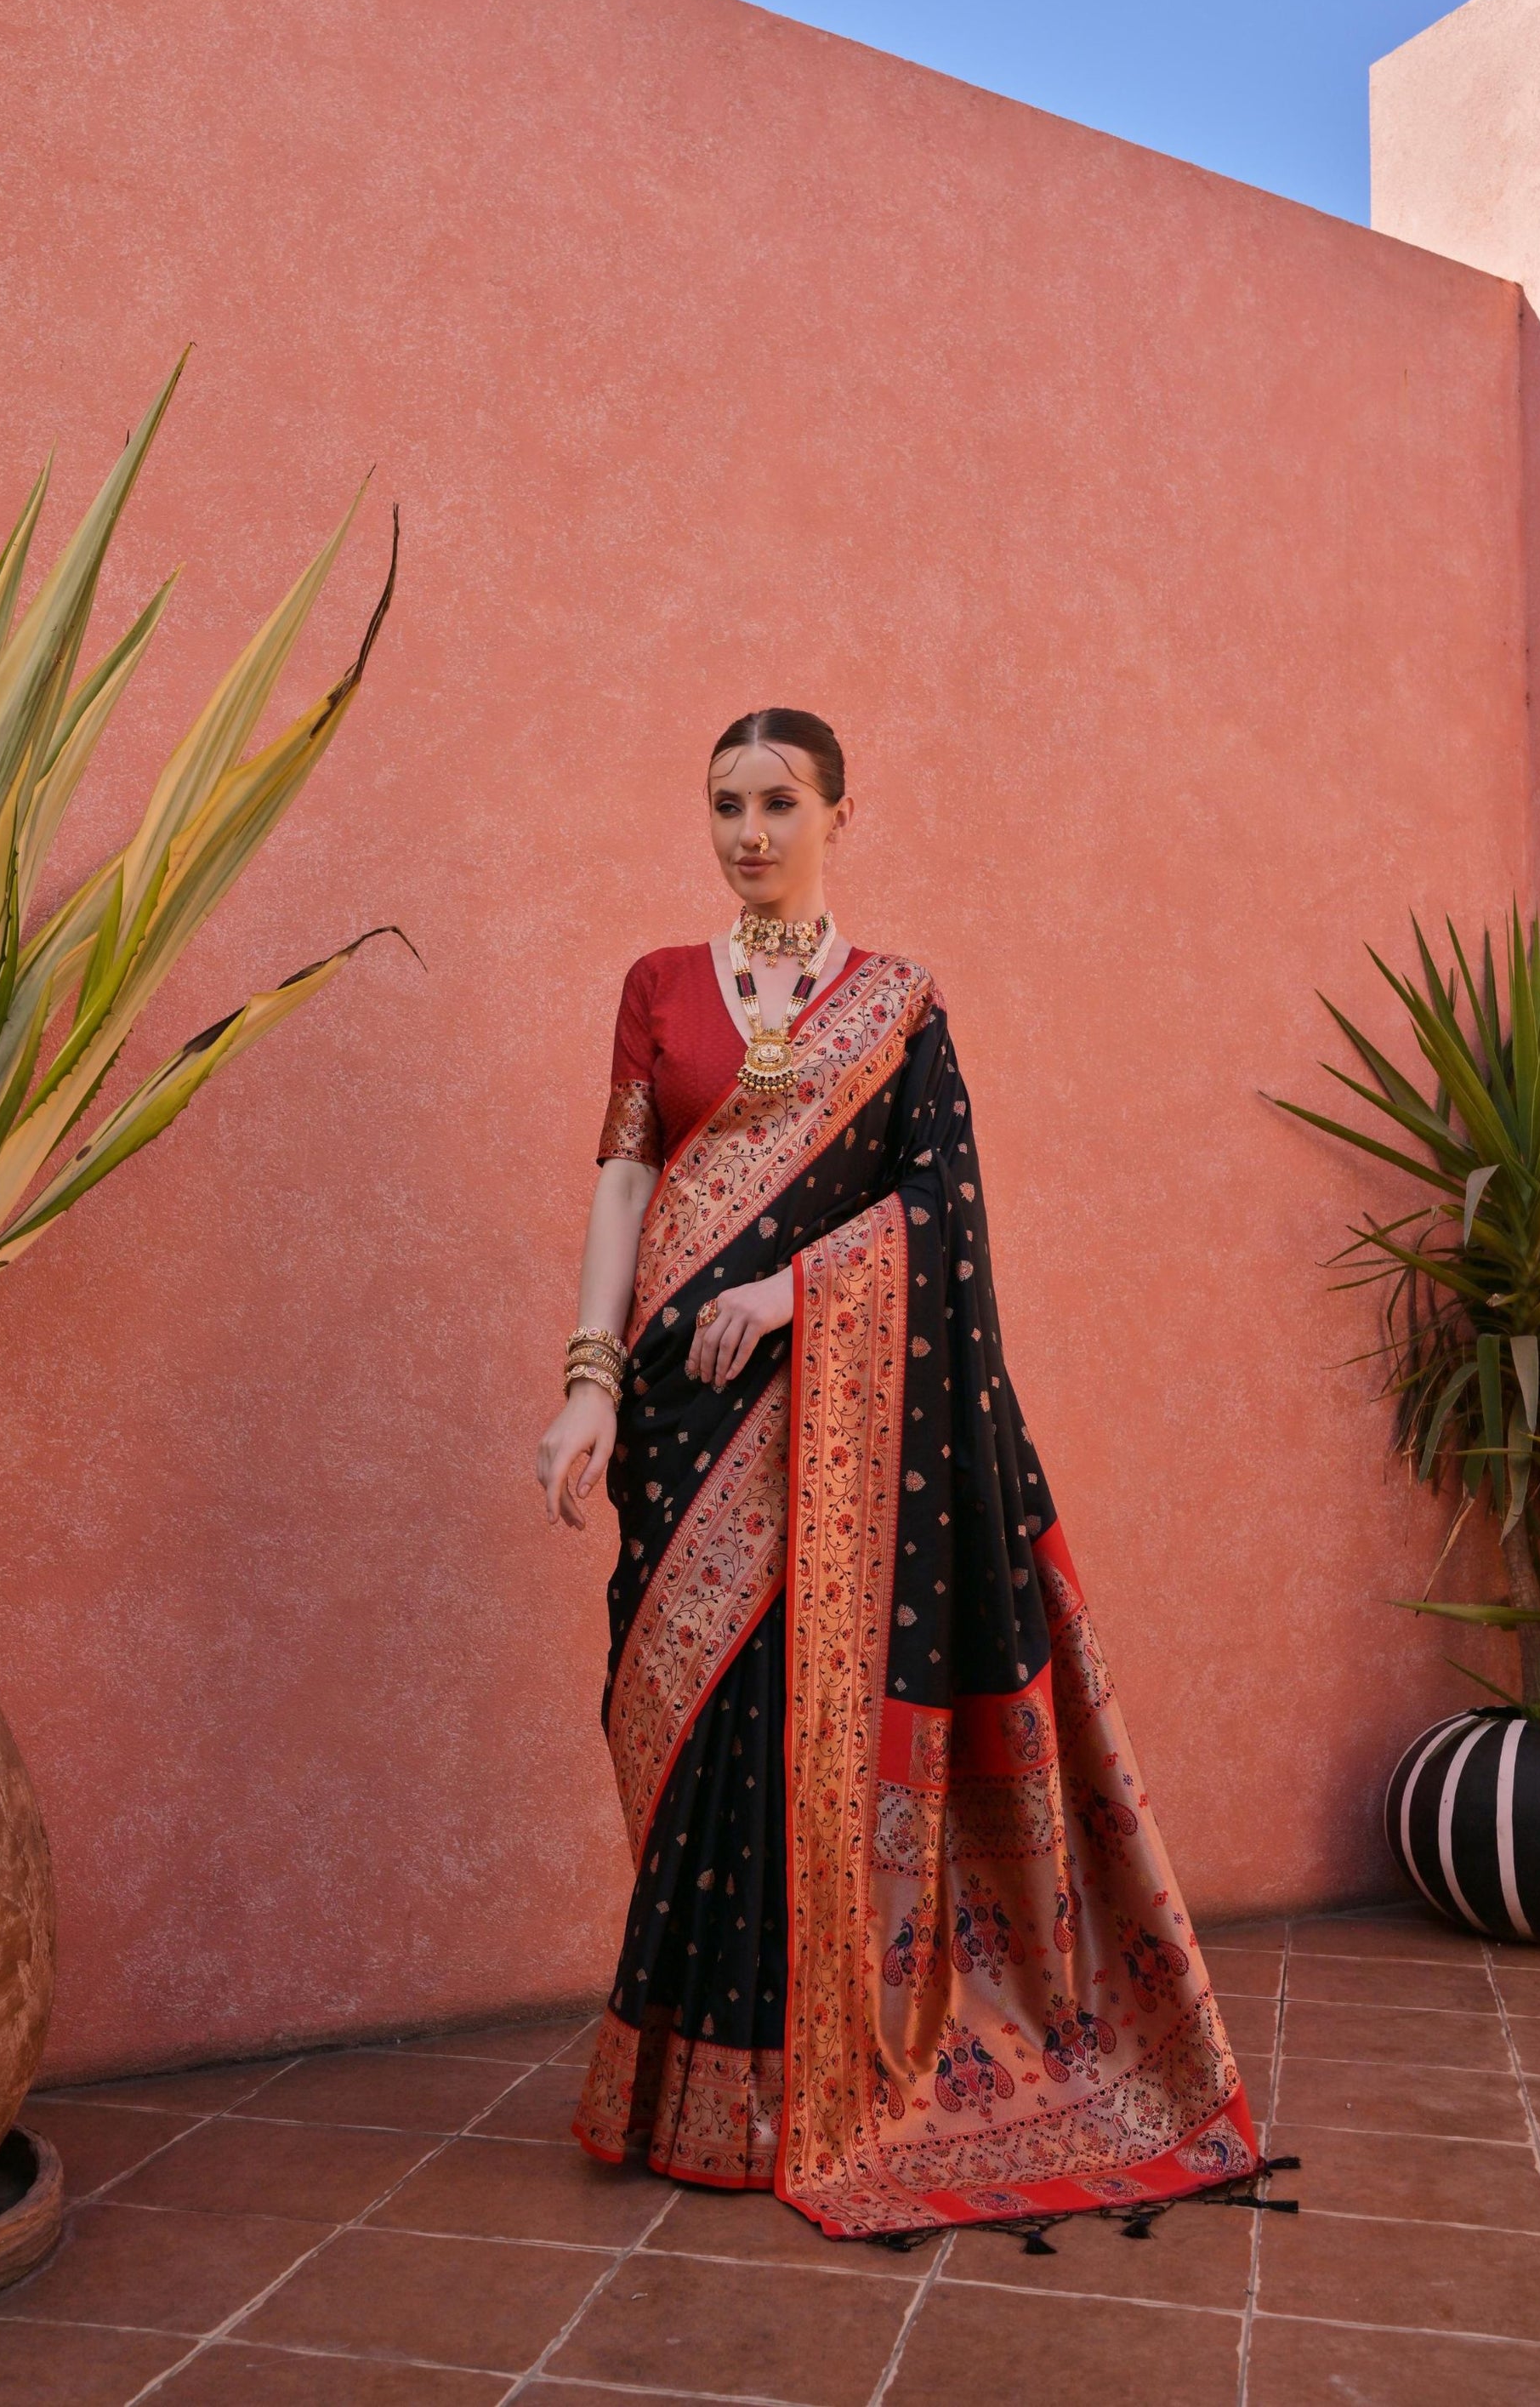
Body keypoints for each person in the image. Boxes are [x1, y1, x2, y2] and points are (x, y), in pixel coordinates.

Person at [535, 707, 1259, 2242]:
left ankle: (804, 2085)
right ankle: (676, 2089)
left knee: (794, 1743)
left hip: (828, 1446)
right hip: (673, 1425)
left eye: (777, 803)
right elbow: (619, 1187)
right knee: (681, 1738)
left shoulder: (903, 1005)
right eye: (723, 803)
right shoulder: (659, 989)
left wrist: (792, 1293)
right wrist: (588, 1386)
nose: (746, 832)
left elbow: (944, 1211)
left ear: (839, 814)